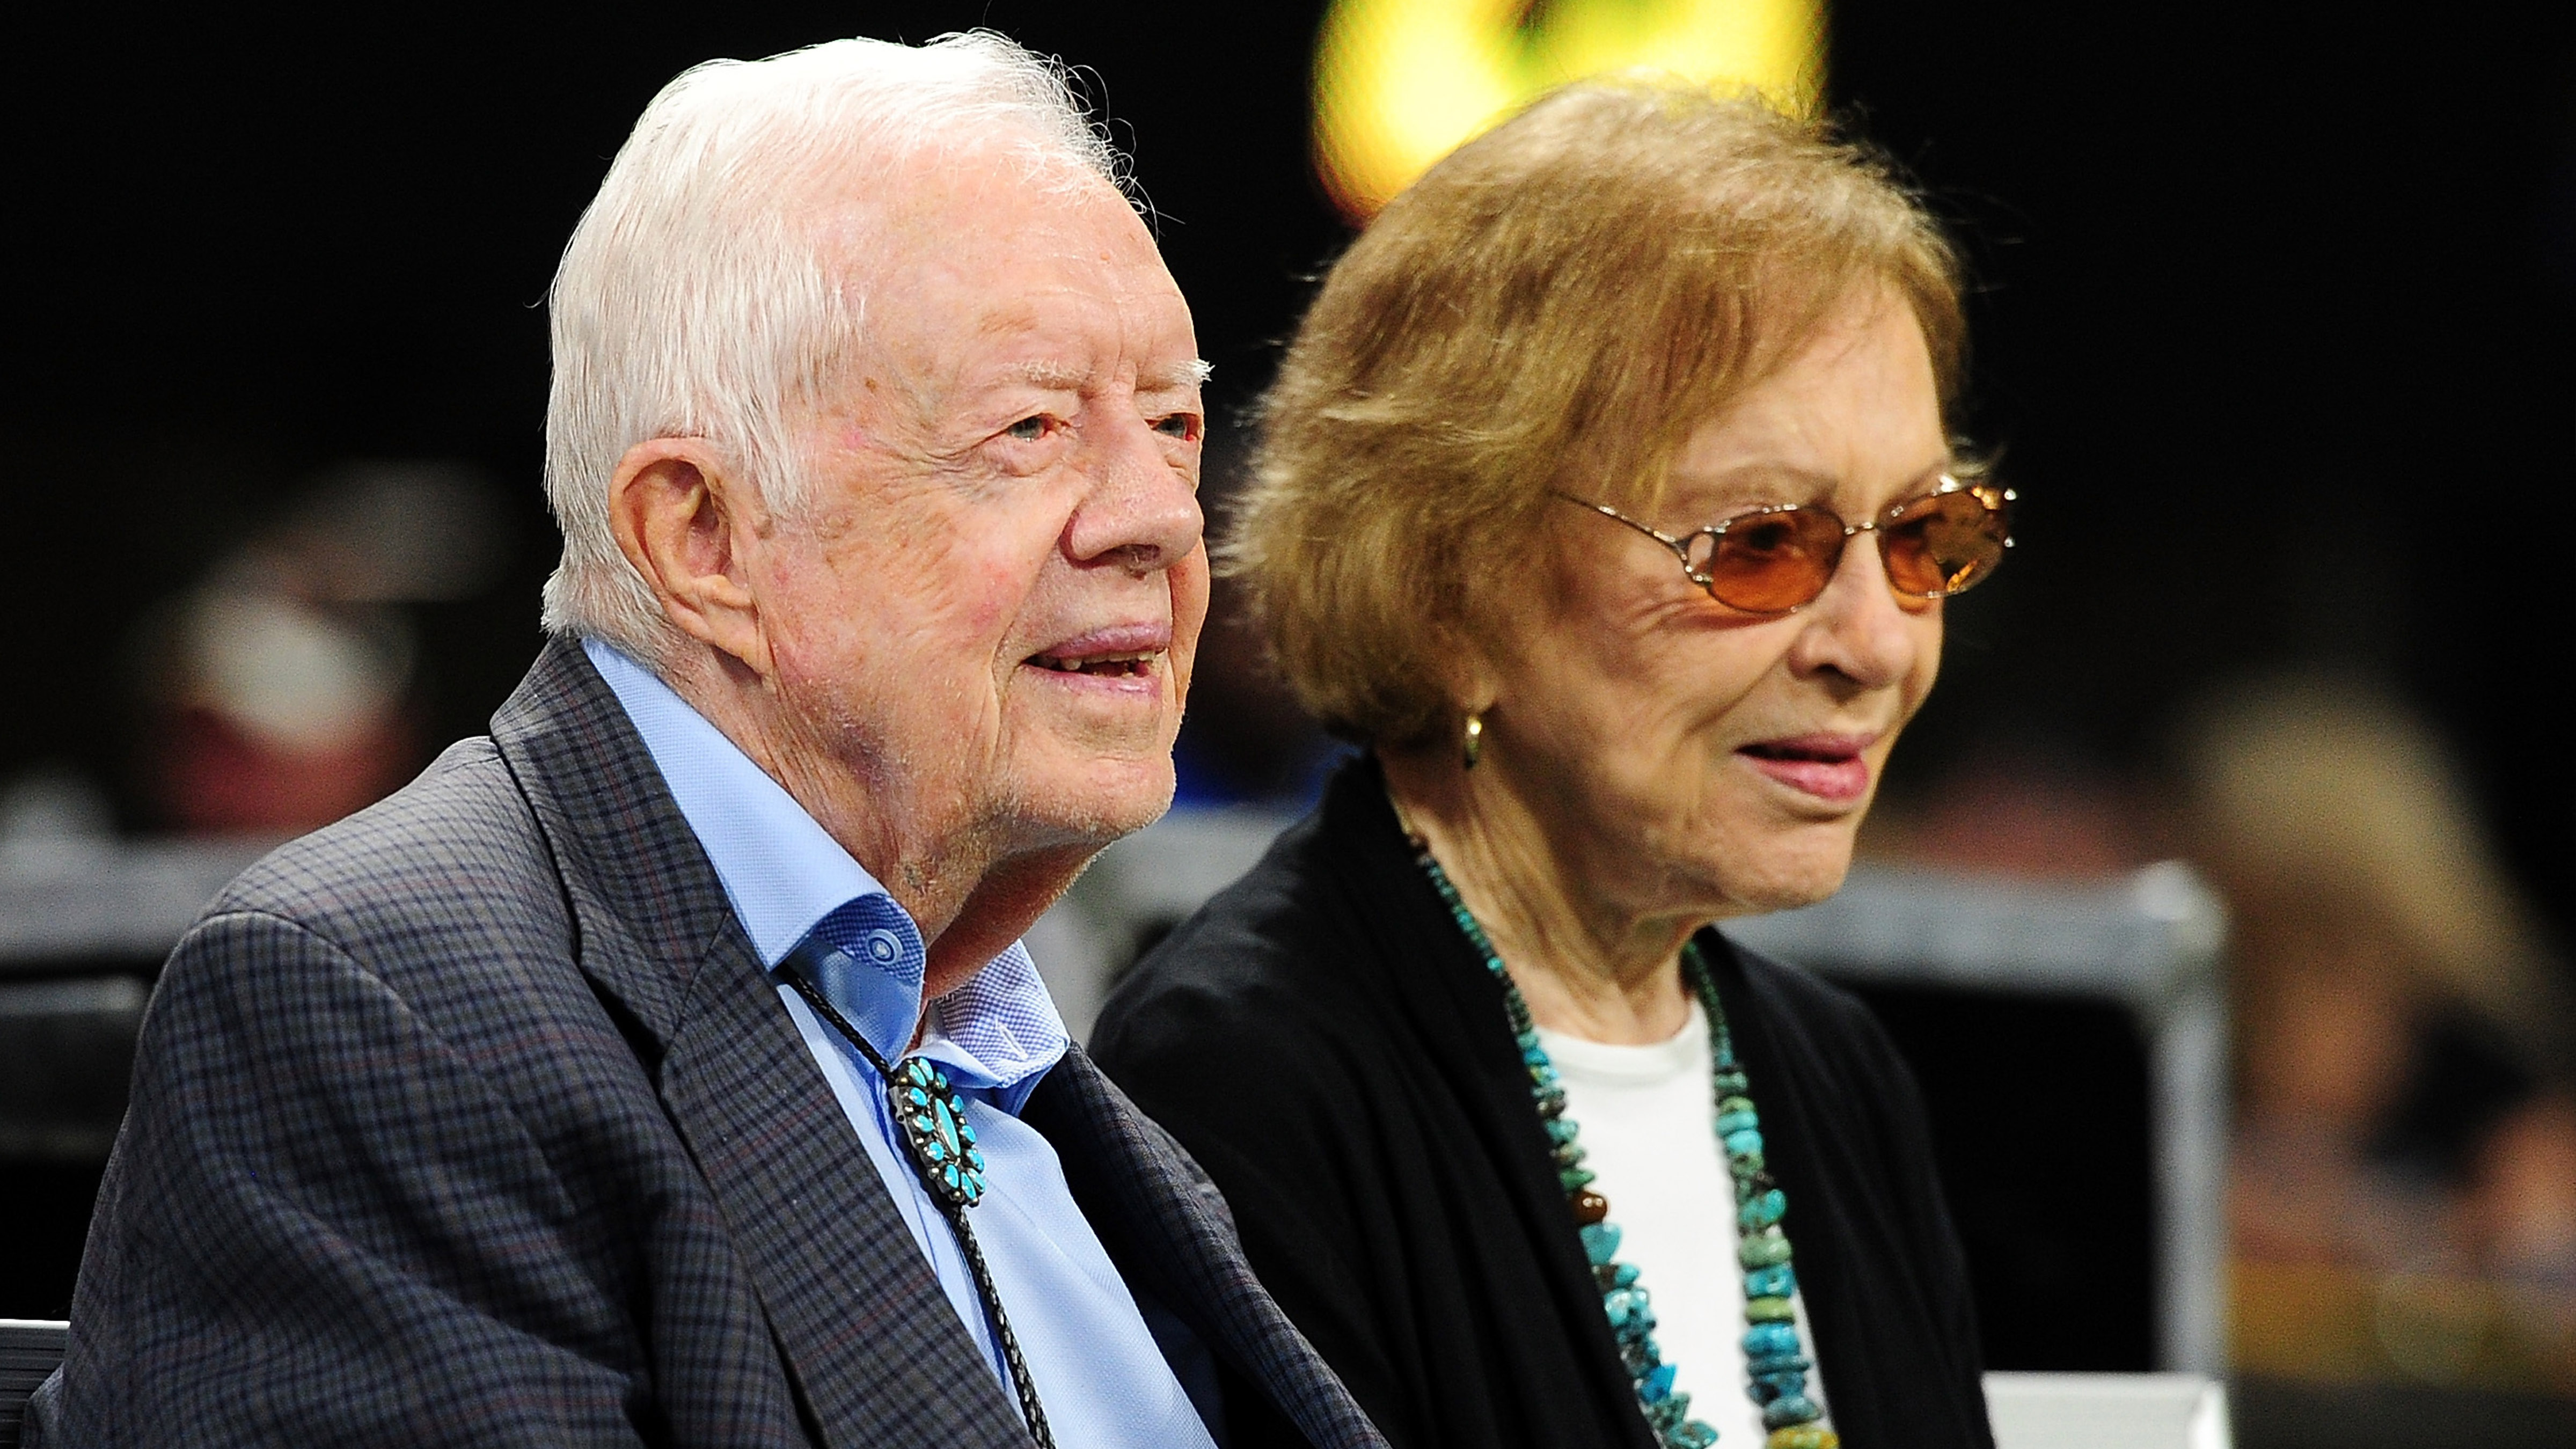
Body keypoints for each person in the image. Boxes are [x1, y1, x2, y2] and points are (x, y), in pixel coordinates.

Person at [31, 34, 1384, 1449]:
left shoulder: (1018, 1052)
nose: (1161, 517)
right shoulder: (377, 1010)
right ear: (705, 538)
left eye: (1172, 421)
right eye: (1032, 426)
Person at [1092, 78, 2007, 1449]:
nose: (1875, 644)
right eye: (1763, 545)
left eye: (1926, 536)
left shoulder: (1834, 1077)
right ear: (1453, 589)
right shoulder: (1239, 1086)